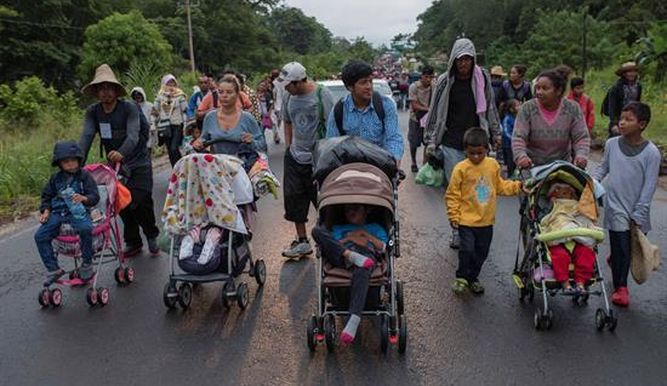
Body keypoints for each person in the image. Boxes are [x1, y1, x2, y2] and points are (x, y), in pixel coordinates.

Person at [424, 38, 501, 249]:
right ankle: (457, 230)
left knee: (478, 189)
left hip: (477, 143)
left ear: (473, 59)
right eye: (460, 59)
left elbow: (490, 106)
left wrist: (496, 133)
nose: (464, 64)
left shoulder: (481, 77)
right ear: (453, 61)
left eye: (468, 59)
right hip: (451, 143)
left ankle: (476, 226)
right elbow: (435, 111)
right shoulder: (444, 81)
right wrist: (430, 141)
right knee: (456, 190)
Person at [80, 64, 160, 258]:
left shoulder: (129, 108)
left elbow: (133, 136)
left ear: (116, 90)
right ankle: (133, 241)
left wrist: (122, 152)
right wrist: (75, 163)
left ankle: (151, 235)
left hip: (138, 161)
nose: (105, 92)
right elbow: (86, 137)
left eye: (109, 87)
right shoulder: (93, 112)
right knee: (119, 203)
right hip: (115, 166)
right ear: (96, 91)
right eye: (101, 88)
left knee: (140, 202)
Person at [593, 102, 661, 307]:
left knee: (629, 246)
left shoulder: (651, 153)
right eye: (621, 119)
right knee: (620, 243)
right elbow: (602, 169)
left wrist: (640, 213)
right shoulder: (612, 144)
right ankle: (621, 288)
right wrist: (591, 184)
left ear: (642, 124)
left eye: (628, 120)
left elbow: (649, 186)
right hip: (615, 204)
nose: (622, 123)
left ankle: (618, 258)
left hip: (637, 205)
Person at [445, 128, 521, 294]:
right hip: (465, 220)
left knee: (481, 253)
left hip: (486, 222)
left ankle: (473, 278)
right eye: (472, 153)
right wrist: (454, 215)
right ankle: (462, 277)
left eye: (480, 153)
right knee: (467, 249)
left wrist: (518, 187)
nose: (476, 157)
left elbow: (500, 186)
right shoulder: (461, 169)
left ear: (487, 149)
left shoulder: (493, 165)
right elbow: (452, 194)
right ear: (465, 150)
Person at [275, 62, 335, 259]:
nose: (286, 88)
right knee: (294, 199)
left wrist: (326, 152)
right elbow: (288, 121)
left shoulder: (321, 95)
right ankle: (302, 241)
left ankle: (328, 239)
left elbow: (332, 125)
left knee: (322, 199)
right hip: (295, 156)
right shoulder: (287, 95)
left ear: (300, 81)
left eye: (289, 85)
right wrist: (289, 148)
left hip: (319, 157)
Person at [311, 204, 387, 344]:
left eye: (356, 208)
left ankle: (354, 319)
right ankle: (350, 255)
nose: (350, 212)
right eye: (347, 209)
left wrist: (365, 235)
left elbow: (383, 248)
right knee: (317, 231)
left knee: (364, 266)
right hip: (341, 255)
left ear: (367, 209)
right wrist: (350, 238)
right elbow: (329, 245)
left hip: (365, 255)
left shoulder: (375, 227)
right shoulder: (337, 228)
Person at [35, 141, 100, 286]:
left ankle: (87, 263)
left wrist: (84, 198)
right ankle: (53, 269)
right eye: (66, 162)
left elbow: (95, 196)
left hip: (78, 212)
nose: (70, 164)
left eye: (73, 160)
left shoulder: (84, 176)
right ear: (60, 163)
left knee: (85, 229)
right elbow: (46, 196)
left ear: (79, 160)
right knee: (40, 235)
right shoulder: (55, 179)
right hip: (58, 213)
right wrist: (45, 210)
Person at [512, 67, 590, 170]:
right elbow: (518, 137)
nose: (539, 92)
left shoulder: (572, 108)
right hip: (531, 167)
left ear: (558, 91)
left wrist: (581, 155)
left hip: (561, 166)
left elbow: (581, 137)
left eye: (545, 88)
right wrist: (521, 157)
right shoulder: (528, 108)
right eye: (538, 88)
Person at [326, 60, 404, 163]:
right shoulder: (338, 110)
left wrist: (394, 161)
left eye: (370, 81)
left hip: (381, 164)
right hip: (350, 167)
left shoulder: (385, 105)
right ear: (350, 87)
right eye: (363, 82)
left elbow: (393, 138)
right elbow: (332, 145)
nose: (369, 86)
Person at [539, 183, 600, 294]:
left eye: (570, 193)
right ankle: (565, 283)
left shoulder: (576, 204)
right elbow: (545, 217)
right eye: (564, 193)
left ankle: (580, 282)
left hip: (576, 234)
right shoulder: (553, 203)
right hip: (558, 233)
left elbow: (582, 215)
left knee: (586, 252)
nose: (568, 195)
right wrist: (550, 199)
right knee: (560, 256)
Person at [193, 75, 266, 155]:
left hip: (242, 164)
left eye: (229, 92)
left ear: (237, 94)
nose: (224, 95)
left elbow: (262, 145)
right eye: (221, 92)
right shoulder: (210, 117)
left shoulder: (247, 118)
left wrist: (251, 141)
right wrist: (198, 144)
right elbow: (203, 139)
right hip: (216, 164)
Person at [153, 74, 188, 167]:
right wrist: (153, 124)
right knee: (170, 150)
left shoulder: (180, 96)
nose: (171, 87)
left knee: (174, 148)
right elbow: (155, 111)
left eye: (173, 84)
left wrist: (185, 124)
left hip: (177, 125)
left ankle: (182, 167)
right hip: (165, 126)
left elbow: (185, 111)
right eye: (168, 84)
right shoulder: (160, 97)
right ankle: (175, 171)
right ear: (164, 85)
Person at [408, 65, 434, 172]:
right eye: (426, 77)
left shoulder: (434, 86)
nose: (428, 80)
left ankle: (424, 165)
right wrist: (428, 109)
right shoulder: (414, 87)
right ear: (422, 76)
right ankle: (413, 161)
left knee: (428, 142)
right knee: (414, 142)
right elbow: (414, 105)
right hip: (416, 118)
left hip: (428, 119)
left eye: (430, 77)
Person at [605, 62, 642, 138]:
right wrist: (614, 124)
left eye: (634, 72)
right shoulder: (616, 88)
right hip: (619, 117)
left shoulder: (638, 86)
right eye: (629, 72)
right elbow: (611, 107)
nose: (632, 74)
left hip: (632, 117)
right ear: (624, 74)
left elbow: (638, 103)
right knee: (615, 139)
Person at [501, 99, 520, 177]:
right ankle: (510, 177)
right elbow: (506, 132)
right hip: (508, 145)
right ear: (511, 109)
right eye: (517, 106)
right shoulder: (507, 119)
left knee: (516, 161)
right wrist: (514, 139)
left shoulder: (518, 117)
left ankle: (515, 176)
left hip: (516, 144)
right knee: (510, 162)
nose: (520, 107)